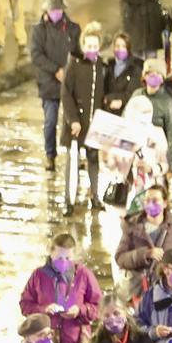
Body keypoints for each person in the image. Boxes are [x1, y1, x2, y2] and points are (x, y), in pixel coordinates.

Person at [19, 232, 103, 343]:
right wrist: (44, 310)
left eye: (68, 258)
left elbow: (99, 307)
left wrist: (80, 310)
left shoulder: (84, 275)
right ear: (50, 253)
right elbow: (25, 305)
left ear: (74, 256)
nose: (63, 262)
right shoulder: (38, 276)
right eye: (59, 257)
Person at [115, 183, 172, 303]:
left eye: (155, 200)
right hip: (137, 294)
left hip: (165, 295)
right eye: (147, 200)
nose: (151, 204)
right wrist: (145, 254)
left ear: (165, 203)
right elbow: (120, 258)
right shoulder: (132, 228)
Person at [30, 0, 82, 171]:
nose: (56, 14)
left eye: (59, 10)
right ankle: (50, 154)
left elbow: (78, 52)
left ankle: (76, 152)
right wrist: (55, 70)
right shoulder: (39, 30)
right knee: (50, 121)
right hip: (49, 82)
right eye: (53, 10)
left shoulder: (73, 29)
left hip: (70, 81)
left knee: (74, 119)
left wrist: (70, 72)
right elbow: (36, 55)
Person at [61, 23, 108, 211]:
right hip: (76, 124)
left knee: (93, 159)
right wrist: (72, 120)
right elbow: (66, 93)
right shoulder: (73, 64)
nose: (92, 49)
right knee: (72, 161)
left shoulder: (101, 65)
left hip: (94, 124)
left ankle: (95, 196)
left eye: (95, 46)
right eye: (88, 46)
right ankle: (68, 201)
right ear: (82, 46)